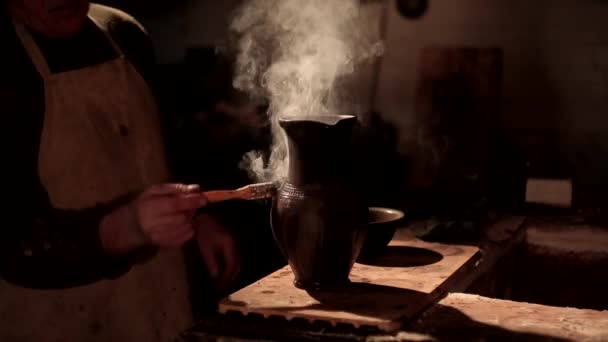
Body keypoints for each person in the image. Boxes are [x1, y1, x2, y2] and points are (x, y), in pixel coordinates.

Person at [0, 1, 239, 341]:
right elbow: (13, 243)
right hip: (57, 315)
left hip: (157, 301)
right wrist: (127, 227)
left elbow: (160, 148)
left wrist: (194, 215)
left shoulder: (123, 32)